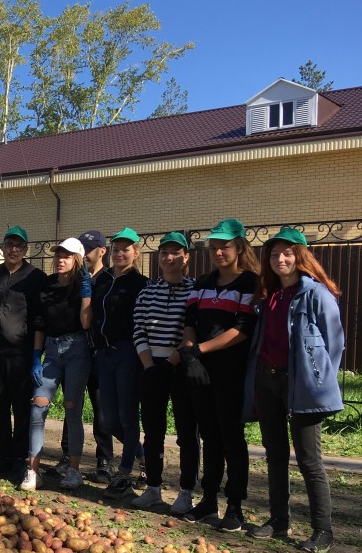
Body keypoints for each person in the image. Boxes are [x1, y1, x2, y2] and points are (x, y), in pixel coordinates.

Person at [245, 227, 344, 553]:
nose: (280, 259)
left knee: (309, 459)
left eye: (287, 253)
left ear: (299, 256)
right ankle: (278, 520)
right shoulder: (269, 294)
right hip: (267, 381)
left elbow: (334, 343)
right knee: (274, 454)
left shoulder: (315, 293)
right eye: (274, 254)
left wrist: (318, 379)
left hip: (301, 384)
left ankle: (323, 529)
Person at [181, 218, 259, 532]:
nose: (217, 253)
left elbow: (241, 330)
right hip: (201, 371)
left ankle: (235, 505)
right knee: (209, 437)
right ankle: (209, 499)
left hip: (231, 372)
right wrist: (190, 355)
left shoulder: (250, 282)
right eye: (213, 247)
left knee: (231, 438)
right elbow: (189, 321)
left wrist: (199, 350)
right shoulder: (202, 282)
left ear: (239, 247)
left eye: (224, 247)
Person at [131, 233, 200, 512]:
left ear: (186, 257)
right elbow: (139, 329)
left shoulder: (194, 291)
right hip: (151, 365)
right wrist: (149, 366)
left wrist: (171, 362)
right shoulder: (147, 292)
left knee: (187, 432)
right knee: (153, 430)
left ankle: (186, 491)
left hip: (182, 365)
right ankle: (153, 487)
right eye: (164, 253)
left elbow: (191, 332)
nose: (168, 258)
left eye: (175, 253)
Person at [0, 226, 46, 477]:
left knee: (21, 408)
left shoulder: (35, 277)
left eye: (18, 246)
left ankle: (19, 457)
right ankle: (3, 456)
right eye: (9, 245)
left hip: (21, 354)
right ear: (2, 248)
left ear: (26, 249)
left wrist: (36, 355)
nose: (13, 250)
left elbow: (40, 318)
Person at [26, 237, 93, 491]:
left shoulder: (82, 284)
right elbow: (40, 323)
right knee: (38, 406)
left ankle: (73, 471)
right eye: (58, 255)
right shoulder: (47, 284)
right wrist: (36, 356)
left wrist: (86, 293)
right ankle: (33, 471)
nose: (60, 260)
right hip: (52, 351)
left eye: (66, 256)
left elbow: (86, 323)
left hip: (77, 349)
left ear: (77, 259)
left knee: (72, 408)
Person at [91, 228, 149, 498]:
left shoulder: (140, 283)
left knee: (127, 415)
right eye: (116, 249)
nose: (119, 254)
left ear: (136, 253)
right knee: (109, 419)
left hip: (128, 353)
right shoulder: (102, 280)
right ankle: (143, 456)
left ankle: (124, 474)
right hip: (103, 354)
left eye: (125, 249)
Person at [57, 229, 114, 485]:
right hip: (76, 351)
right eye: (82, 250)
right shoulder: (74, 279)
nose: (85, 254)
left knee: (101, 408)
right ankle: (67, 455)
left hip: (100, 352)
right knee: (72, 404)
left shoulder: (109, 279)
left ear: (102, 251)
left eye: (89, 250)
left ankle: (104, 460)